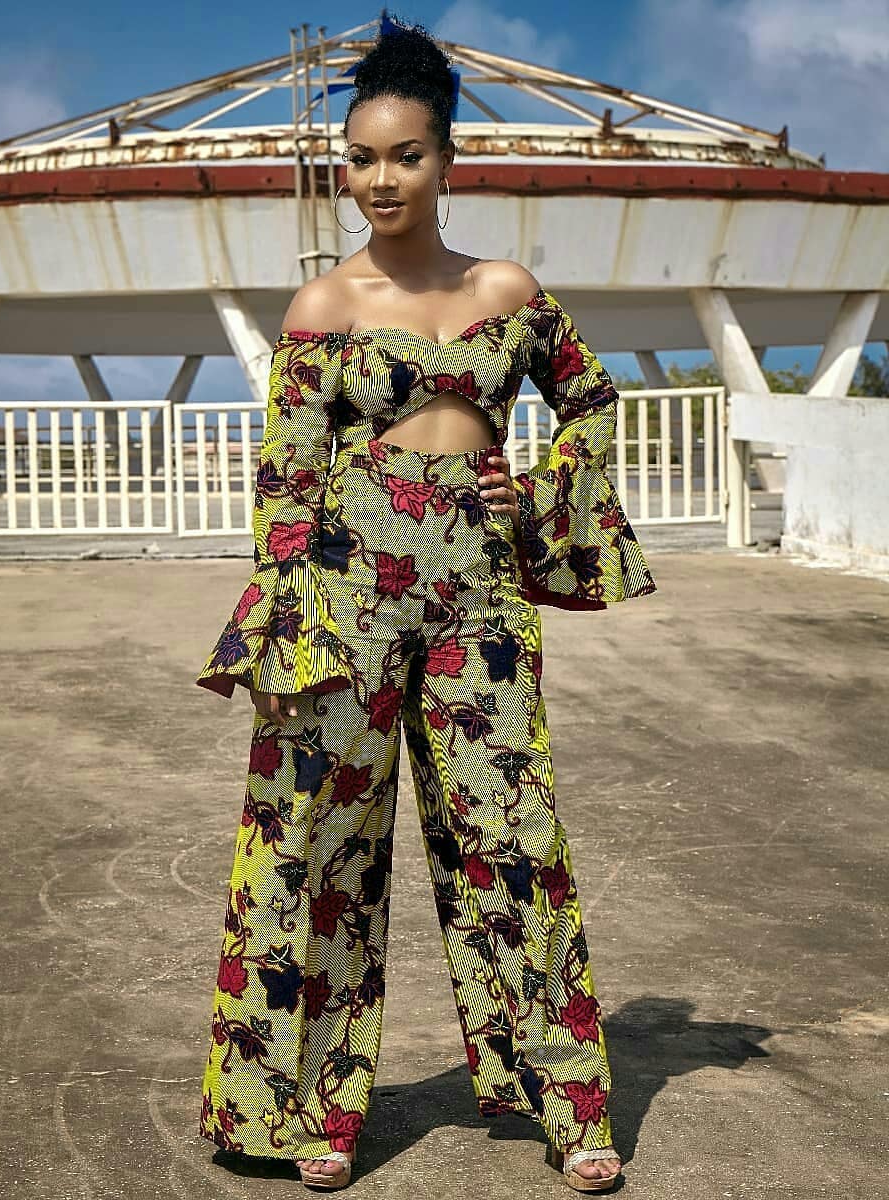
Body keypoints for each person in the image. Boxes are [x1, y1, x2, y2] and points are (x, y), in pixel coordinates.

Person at [195, 13, 656, 1193]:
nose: (381, 179)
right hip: (345, 598)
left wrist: (535, 491)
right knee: (320, 849)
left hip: (480, 602)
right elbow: (286, 488)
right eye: (360, 159)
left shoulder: (507, 289)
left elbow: (592, 402)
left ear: (448, 157)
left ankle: (569, 1103)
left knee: (514, 840)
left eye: (405, 155)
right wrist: (275, 630)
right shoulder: (322, 305)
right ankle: (312, 1112)